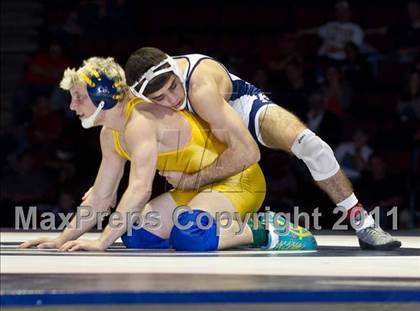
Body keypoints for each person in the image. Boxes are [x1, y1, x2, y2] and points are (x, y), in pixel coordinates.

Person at [18, 57, 317, 252]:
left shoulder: (140, 123)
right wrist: (62, 238)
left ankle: (263, 229)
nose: (72, 106)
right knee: (136, 235)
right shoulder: (109, 134)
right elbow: (101, 196)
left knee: (190, 237)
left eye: (79, 97)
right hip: (193, 187)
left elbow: (139, 189)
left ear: (103, 96)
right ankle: (213, 221)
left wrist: (101, 242)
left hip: (238, 181)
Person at [124, 47, 401, 250]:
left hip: (238, 110)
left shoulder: (199, 89)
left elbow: (248, 153)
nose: (173, 99)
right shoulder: (142, 104)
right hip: (206, 138)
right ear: (143, 97)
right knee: (136, 233)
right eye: (161, 97)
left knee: (312, 146)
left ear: (174, 69)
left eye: (174, 87)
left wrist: (191, 179)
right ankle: (224, 223)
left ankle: (361, 221)